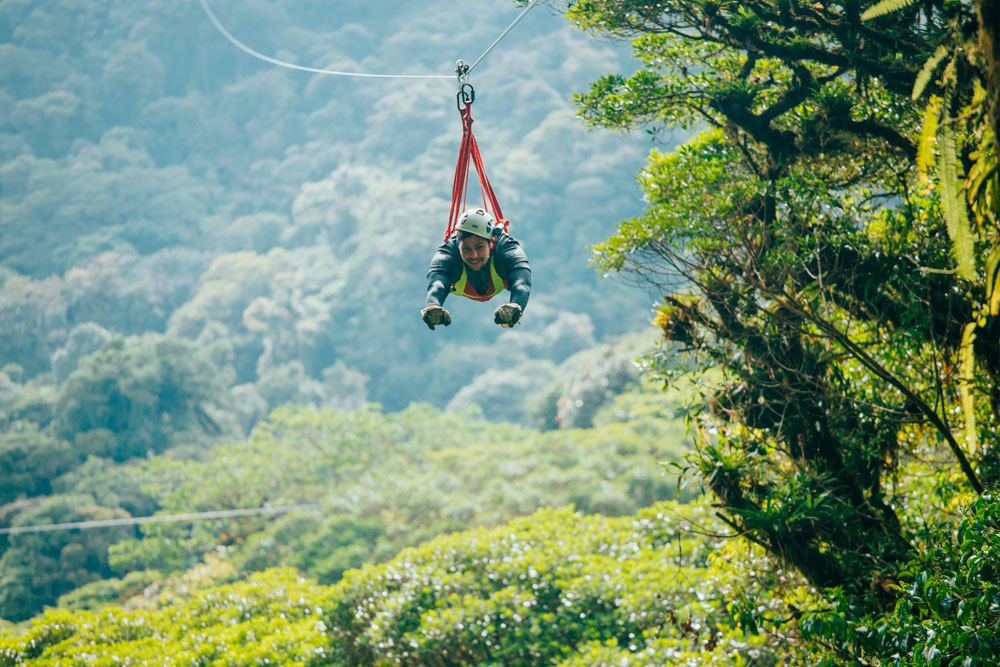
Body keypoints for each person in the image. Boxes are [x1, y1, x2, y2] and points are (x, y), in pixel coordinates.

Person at [422, 207, 531, 330]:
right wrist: (433, 306)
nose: (474, 255)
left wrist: (516, 305)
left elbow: (522, 282)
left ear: (491, 243)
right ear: (458, 245)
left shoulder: (506, 249)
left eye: (479, 247)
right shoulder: (448, 255)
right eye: (466, 248)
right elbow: (437, 284)